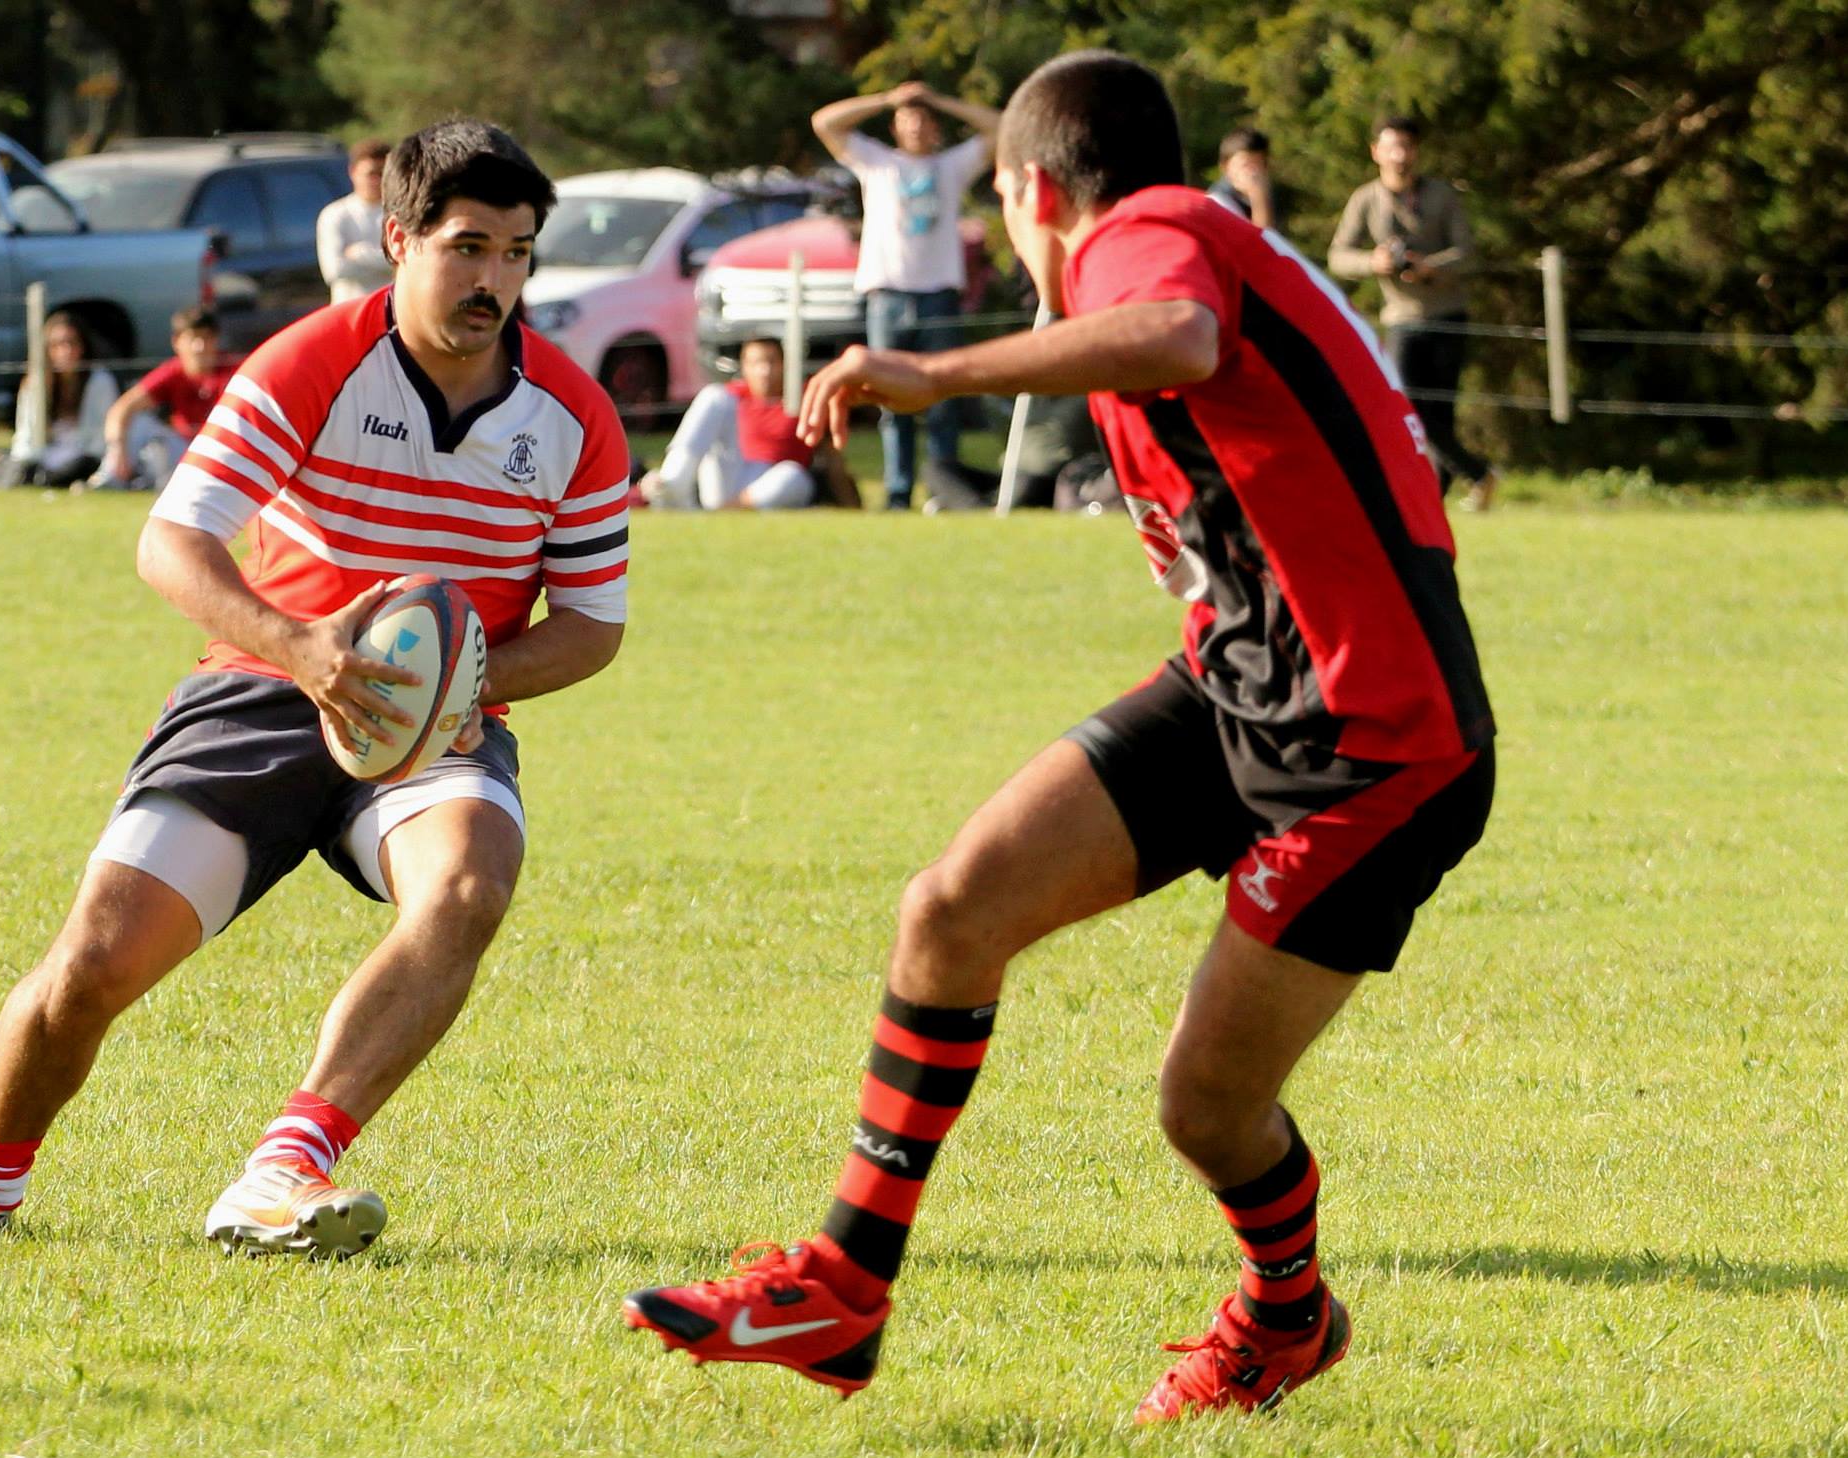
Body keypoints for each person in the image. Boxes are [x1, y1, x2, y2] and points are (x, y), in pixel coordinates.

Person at [623, 50, 1494, 1423]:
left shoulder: (1149, 235)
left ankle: (1285, 1317)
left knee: (1205, 1109)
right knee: (952, 910)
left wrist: (936, 370)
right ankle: (843, 1288)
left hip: (1377, 747)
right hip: (1241, 688)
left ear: (1031, 190)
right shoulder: (1184, 242)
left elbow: (1181, 337)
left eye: (1004, 219)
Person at [0, 118, 630, 1258]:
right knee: (92, 966)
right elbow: (171, 543)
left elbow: (591, 628)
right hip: (259, 687)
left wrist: (455, 681)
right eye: (468, 247)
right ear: (397, 240)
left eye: (516, 253)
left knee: (468, 888)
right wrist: (302, 649)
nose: (494, 279)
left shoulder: (573, 417)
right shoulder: (312, 360)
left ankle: (281, 1172)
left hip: (435, 722)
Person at [812, 80, 1000, 510]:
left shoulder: (951, 166)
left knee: (943, 400)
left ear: (934, 127)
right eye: (907, 118)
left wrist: (940, 99)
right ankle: (898, 494)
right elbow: (824, 122)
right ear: (895, 127)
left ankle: (944, 488)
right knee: (889, 401)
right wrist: (885, 99)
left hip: (939, 297)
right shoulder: (876, 162)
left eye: (923, 119)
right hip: (888, 297)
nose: (915, 125)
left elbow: (1000, 128)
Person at [1329, 115, 1499, 511]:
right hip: (1402, 319)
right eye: (1391, 147)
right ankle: (1477, 473)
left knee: (1441, 413)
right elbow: (1338, 256)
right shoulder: (1365, 199)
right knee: (1408, 407)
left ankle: (1433, 499)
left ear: (1417, 151)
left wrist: (1431, 267)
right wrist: (1372, 263)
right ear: (1376, 152)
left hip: (1448, 315)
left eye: (1406, 147)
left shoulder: (1442, 196)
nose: (1399, 155)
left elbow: (1468, 253)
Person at [639, 337, 817, 510]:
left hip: (774, 478)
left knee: (794, 474)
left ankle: (725, 509)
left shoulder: (803, 396)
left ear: (785, 365)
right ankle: (673, 483)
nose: (765, 371)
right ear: (744, 367)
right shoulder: (734, 396)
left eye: (772, 362)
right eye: (756, 363)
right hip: (733, 475)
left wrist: (844, 496)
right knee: (713, 395)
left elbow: (829, 454)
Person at [90, 307, 236, 490]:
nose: (200, 347)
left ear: (217, 340)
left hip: (222, 450)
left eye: (207, 338)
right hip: (182, 451)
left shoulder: (234, 370)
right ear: (177, 342)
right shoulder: (173, 371)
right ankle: (110, 479)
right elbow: (122, 408)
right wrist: (117, 448)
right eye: (193, 338)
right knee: (140, 423)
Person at [0, 310, 120, 488]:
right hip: (43, 457)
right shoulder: (35, 383)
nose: (65, 351)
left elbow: (99, 441)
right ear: (47, 349)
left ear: (82, 346)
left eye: (71, 343)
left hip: (84, 458)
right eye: (58, 345)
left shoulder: (99, 381)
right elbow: (26, 437)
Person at [318, 138, 394, 304]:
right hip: (350, 314)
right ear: (353, 171)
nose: (377, 180)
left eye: (382, 174)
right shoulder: (335, 215)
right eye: (371, 174)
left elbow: (407, 261)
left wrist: (360, 253)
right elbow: (334, 271)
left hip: (390, 312)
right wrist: (386, 263)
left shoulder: (400, 214)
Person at [1207, 127, 1280, 231]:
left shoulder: (1264, 194)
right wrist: (1258, 197)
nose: (1253, 173)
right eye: (1246, 165)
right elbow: (1261, 241)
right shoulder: (1219, 202)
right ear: (1225, 167)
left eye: (1258, 165)